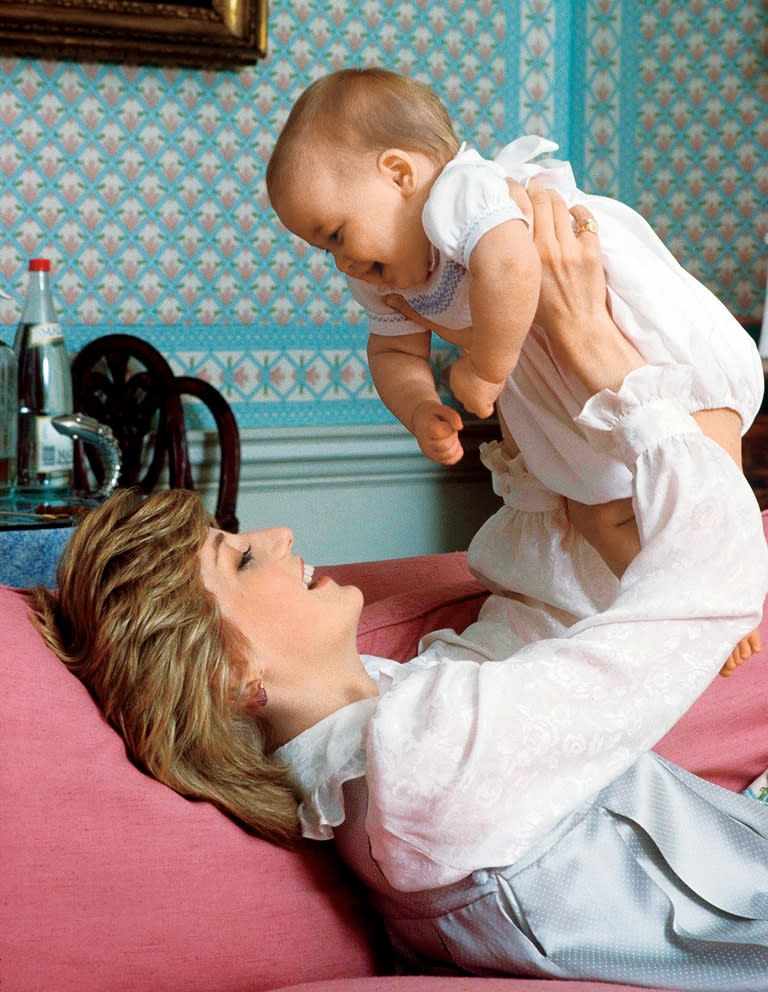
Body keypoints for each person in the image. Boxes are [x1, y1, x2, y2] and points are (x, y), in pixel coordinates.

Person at [34, 188, 768, 990]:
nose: (277, 537)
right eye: (244, 562)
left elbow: (549, 610)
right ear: (233, 679)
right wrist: (615, 371)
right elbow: (699, 598)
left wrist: (536, 416)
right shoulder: (426, 762)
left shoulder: (382, 737)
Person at [265, 66, 764, 673]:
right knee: (591, 505)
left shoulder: (460, 193)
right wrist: (420, 406)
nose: (341, 259)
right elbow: (392, 352)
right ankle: (676, 605)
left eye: (338, 232)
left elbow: (510, 267)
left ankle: (726, 586)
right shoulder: (378, 274)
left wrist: (486, 366)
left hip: (631, 330)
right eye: (324, 249)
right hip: (554, 387)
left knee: (698, 439)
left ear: (400, 173)